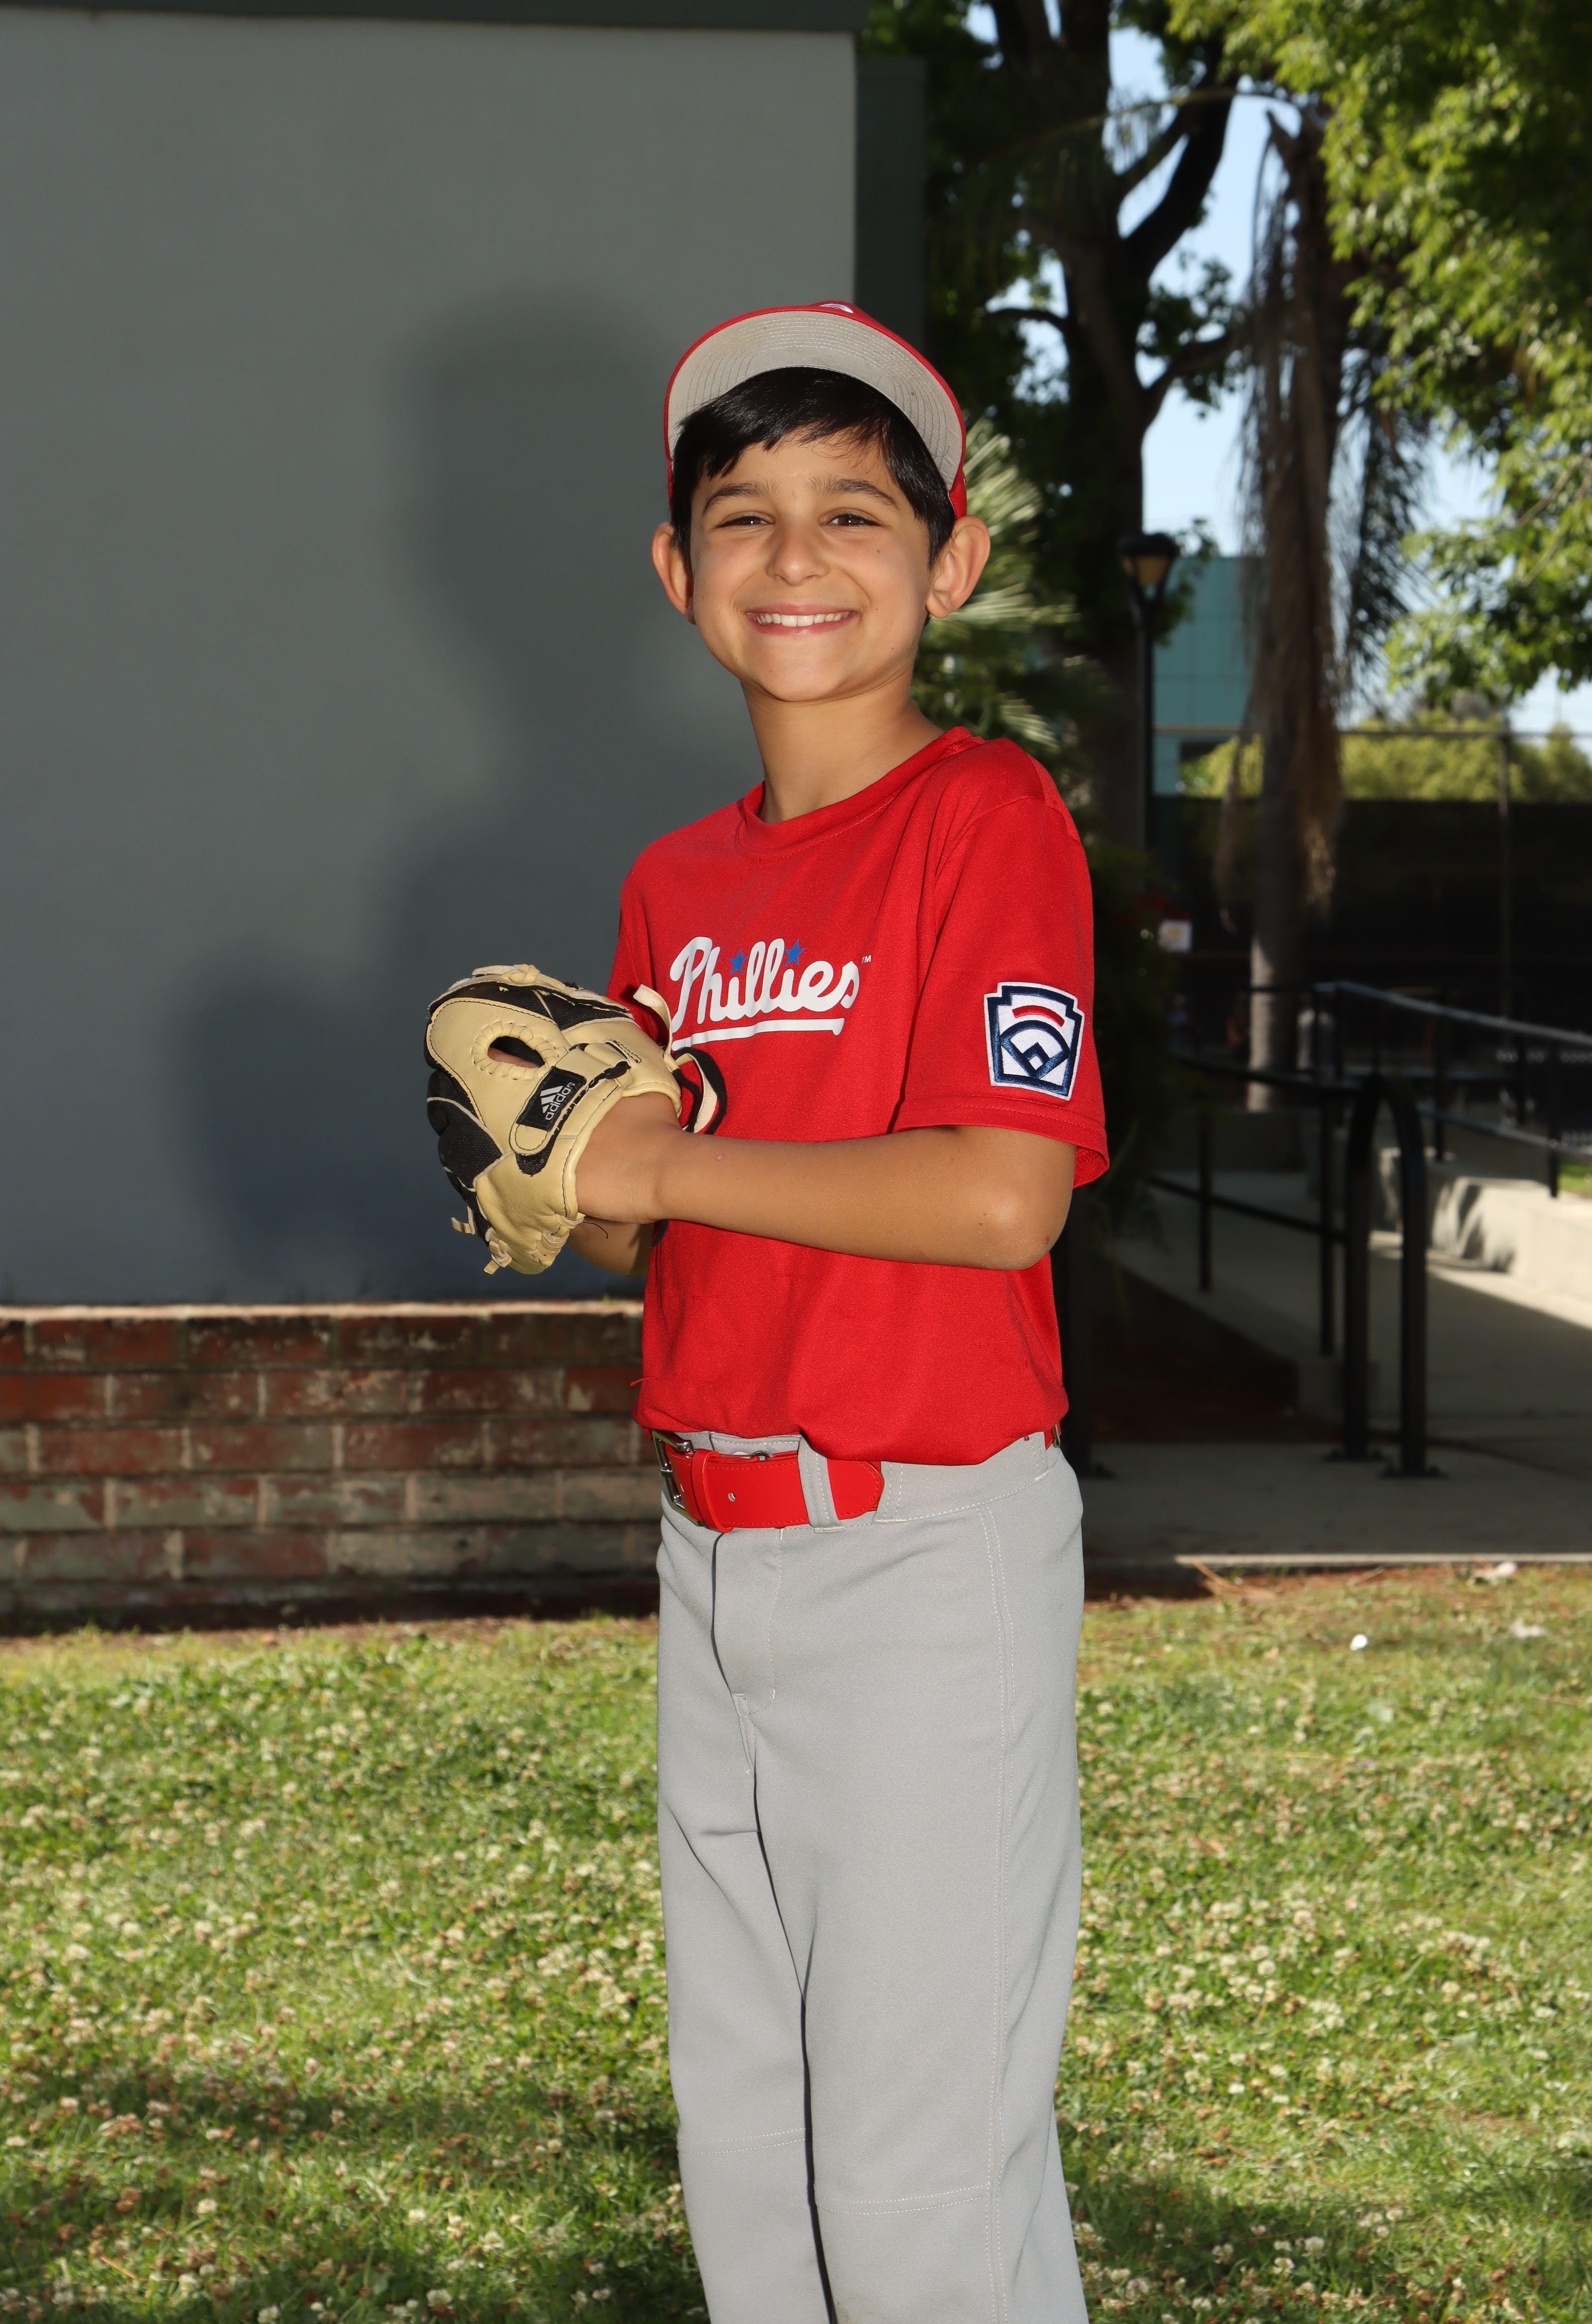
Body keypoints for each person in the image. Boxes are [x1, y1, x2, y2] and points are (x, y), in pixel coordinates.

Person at [569, 303, 1109, 2324]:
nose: (794, 556)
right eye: (742, 514)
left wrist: (653, 1170)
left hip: (922, 1552)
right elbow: (653, 1232)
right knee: (756, 2156)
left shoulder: (985, 817)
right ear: (676, 567)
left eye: (855, 512)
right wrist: (557, 1177)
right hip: (714, 1546)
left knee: (911, 2179)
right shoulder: (671, 883)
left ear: (951, 560)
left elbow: (998, 1193)